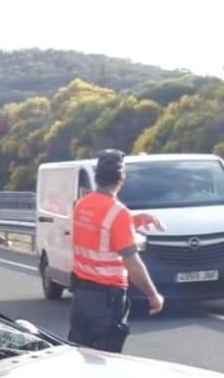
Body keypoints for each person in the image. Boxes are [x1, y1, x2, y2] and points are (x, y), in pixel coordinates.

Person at [68, 150, 163, 352]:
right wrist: (153, 295)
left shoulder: (81, 205)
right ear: (122, 178)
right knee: (105, 361)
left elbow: (99, 228)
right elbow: (132, 263)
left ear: (97, 176)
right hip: (106, 300)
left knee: (78, 356)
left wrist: (134, 219)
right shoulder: (118, 213)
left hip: (81, 295)